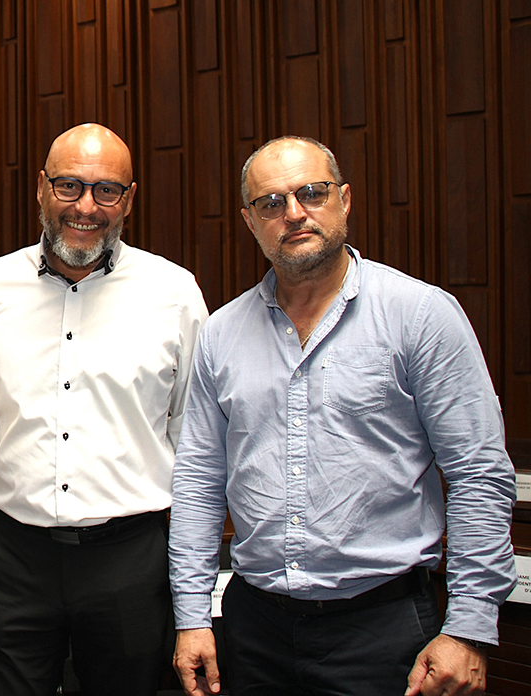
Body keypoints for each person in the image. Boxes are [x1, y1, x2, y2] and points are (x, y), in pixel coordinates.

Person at [169, 135, 516, 696]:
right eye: (271, 203)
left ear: (345, 200)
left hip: (386, 630)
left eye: (311, 192)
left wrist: (470, 628)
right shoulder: (221, 336)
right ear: (250, 221)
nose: (295, 213)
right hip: (255, 630)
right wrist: (190, 616)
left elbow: (479, 474)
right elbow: (199, 485)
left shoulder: (420, 316)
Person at [0, 123, 209, 695]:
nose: (86, 207)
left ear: (130, 199)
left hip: (130, 558)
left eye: (106, 190)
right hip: (17, 558)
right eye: (68, 186)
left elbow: (191, 430)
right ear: (41, 189)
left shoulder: (175, 293)